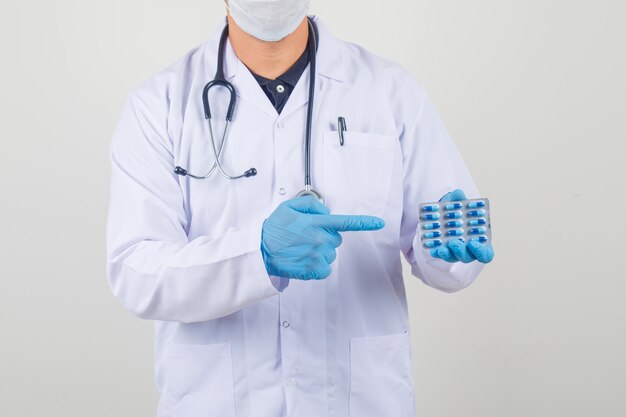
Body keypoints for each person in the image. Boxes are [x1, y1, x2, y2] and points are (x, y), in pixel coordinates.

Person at [106, 0, 495, 416]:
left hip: (360, 399)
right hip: (218, 400)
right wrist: (258, 256)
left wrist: (449, 254)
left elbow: (446, 252)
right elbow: (136, 271)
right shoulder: (159, 104)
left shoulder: (391, 92)